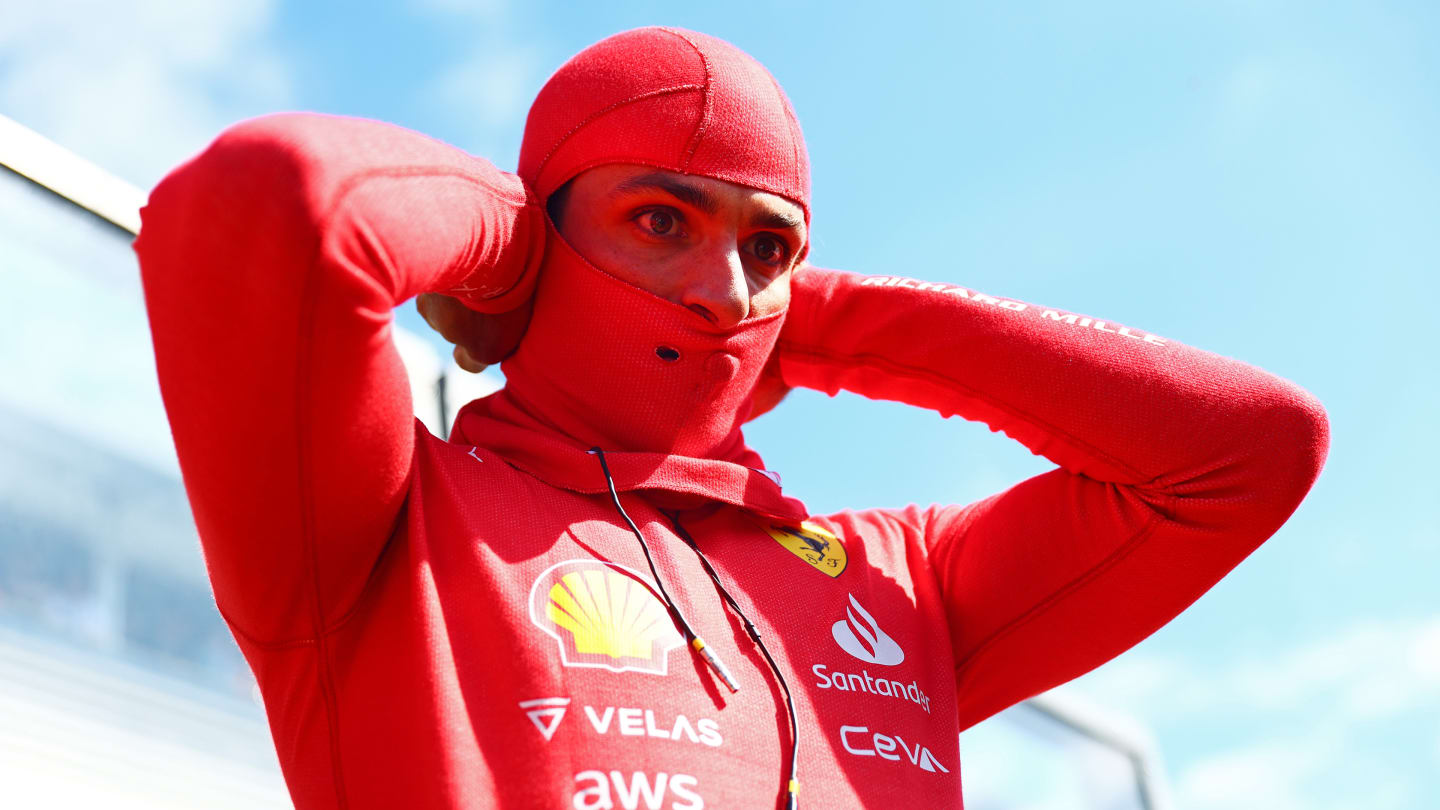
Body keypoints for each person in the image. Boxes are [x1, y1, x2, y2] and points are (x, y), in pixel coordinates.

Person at [134, 26, 1329, 810]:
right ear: (545, 231)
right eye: (661, 220)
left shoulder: (902, 583)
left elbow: (1253, 449)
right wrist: (509, 253)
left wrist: (831, 320)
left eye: (771, 246)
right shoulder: (387, 518)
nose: (725, 294)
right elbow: (270, 208)